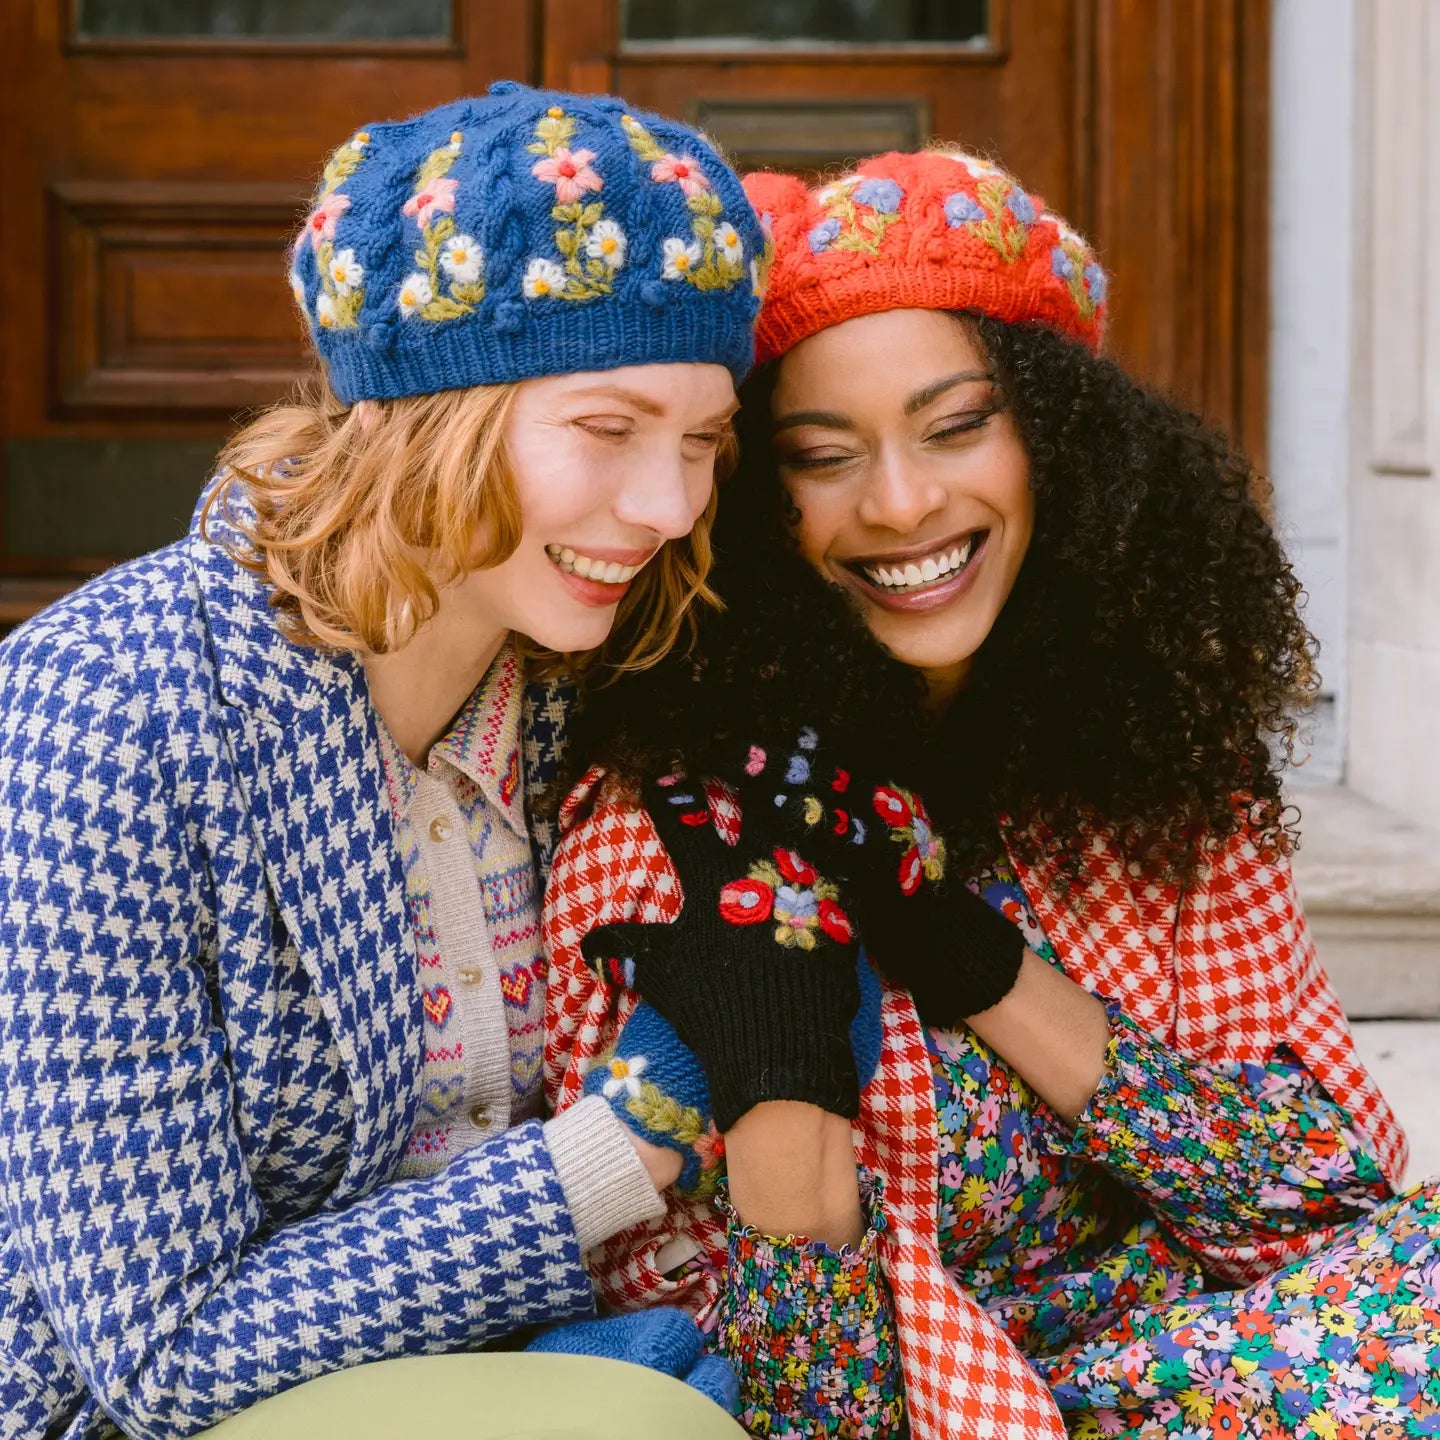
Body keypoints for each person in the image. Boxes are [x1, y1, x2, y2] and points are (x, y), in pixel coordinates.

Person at [542, 147, 1440, 1439]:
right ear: (751, 503)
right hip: (908, 1405)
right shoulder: (666, 829)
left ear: (1066, 446)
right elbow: (752, 1391)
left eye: (957, 426)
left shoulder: (1159, 774)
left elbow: (1320, 1206)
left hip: (1185, 1368)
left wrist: (984, 969)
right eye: (821, 454)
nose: (903, 504)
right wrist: (790, 1072)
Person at [0, 81, 769, 1437]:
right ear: (428, 412)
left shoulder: (565, 676)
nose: (667, 506)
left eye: (702, 439)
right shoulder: (108, 715)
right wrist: (630, 1137)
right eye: (608, 428)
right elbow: (166, 1352)